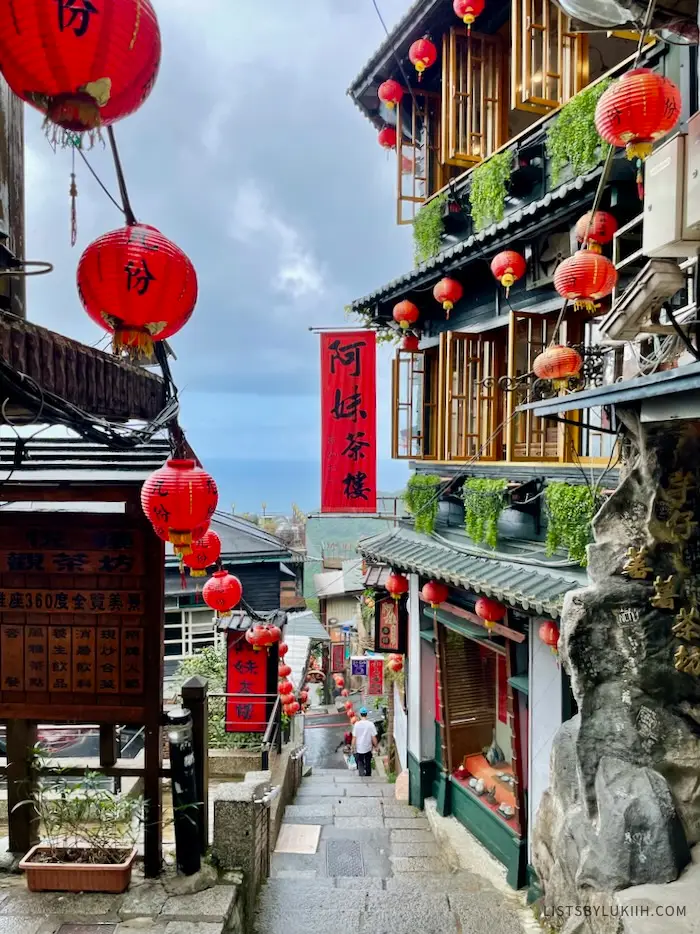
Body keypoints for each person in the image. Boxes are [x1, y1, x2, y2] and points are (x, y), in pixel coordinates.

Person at [351, 707, 377, 777]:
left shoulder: (356, 724)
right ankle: (368, 775)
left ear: (360, 714)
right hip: (368, 747)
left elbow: (354, 737)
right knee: (368, 761)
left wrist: (352, 747)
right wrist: (376, 746)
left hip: (359, 748)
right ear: (366, 714)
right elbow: (373, 737)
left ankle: (361, 774)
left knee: (360, 761)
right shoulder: (370, 724)